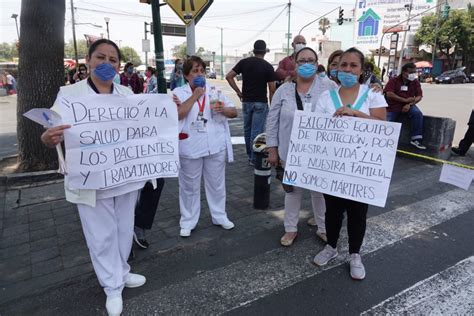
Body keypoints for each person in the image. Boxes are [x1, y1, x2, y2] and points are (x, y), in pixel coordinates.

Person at [40, 39, 148, 316]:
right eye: (101, 57)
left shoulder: (126, 93)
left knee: (124, 229)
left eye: (113, 60)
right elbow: (51, 131)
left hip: (124, 175)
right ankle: (112, 288)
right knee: (101, 235)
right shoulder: (69, 94)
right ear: (87, 61)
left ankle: (121, 272)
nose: (107, 64)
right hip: (90, 178)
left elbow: (144, 127)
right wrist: (49, 137)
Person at [313, 47, 387, 280]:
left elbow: (382, 127)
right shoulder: (326, 97)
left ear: (362, 70)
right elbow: (316, 129)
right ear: (336, 68)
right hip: (333, 166)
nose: (347, 69)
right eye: (343, 65)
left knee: (358, 213)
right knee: (332, 210)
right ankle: (331, 247)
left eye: (353, 65)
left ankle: (355, 254)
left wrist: (354, 114)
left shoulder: (373, 94)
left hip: (361, 168)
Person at [266, 47, 338, 246]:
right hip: (290, 150)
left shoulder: (329, 86)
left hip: (319, 152)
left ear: (317, 64)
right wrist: (272, 148)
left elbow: (344, 107)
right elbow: (272, 120)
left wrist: (372, 90)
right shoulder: (283, 90)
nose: (307, 64)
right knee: (292, 192)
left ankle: (323, 228)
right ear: (294, 65)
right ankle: (290, 229)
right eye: (302, 61)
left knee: (320, 193)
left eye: (311, 60)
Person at [173, 56, 237, 237]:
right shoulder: (178, 92)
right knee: (189, 187)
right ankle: (188, 220)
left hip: (215, 146)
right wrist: (195, 96)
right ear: (186, 75)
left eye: (202, 70)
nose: (199, 74)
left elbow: (233, 112)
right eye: (195, 71)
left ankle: (219, 216)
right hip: (190, 147)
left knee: (216, 185)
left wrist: (224, 109)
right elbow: (178, 114)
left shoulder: (215, 90)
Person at [226, 40, 276, 165]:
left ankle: (250, 156)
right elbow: (272, 90)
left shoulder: (244, 62)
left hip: (246, 101)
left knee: (247, 130)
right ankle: (254, 158)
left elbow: (229, 76)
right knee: (257, 131)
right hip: (260, 102)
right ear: (264, 52)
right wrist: (273, 108)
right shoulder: (268, 67)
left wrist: (238, 91)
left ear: (254, 51)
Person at [384, 62, 426, 150]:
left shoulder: (415, 82)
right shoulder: (394, 80)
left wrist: (409, 104)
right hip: (393, 106)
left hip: (408, 105)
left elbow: (419, 96)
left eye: (414, 72)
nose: (413, 75)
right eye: (410, 72)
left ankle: (416, 139)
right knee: (387, 121)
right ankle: (383, 141)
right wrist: (404, 100)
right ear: (403, 72)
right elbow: (389, 94)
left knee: (417, 114)